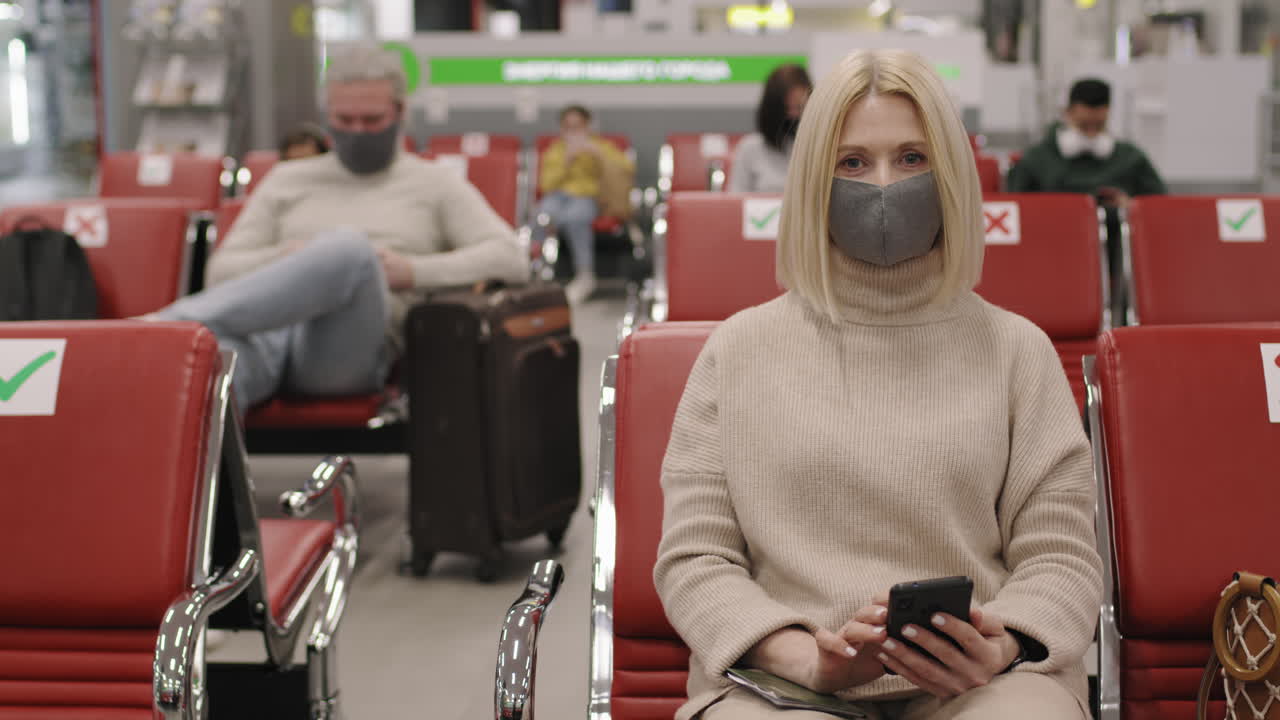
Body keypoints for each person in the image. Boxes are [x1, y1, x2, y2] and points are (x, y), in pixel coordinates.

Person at [654, 49, 1102, 720]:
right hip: (783, 687)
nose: (885, 185)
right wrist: (802, 654)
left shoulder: (1018, 350)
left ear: (949, 173)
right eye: (853, 162)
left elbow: (1062, 556)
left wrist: (1002, 642)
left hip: (981, 686)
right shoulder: (738, 350)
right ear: (813, 180)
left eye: (913, 159)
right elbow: (696, 558)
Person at [144, 44, 527, 411]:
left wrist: (413, 272)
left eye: (372, 120)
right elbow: (220, 272)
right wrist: (288, 260)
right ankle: (198, 473)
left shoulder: (434, 183)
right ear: (328, 116)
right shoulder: (287, 179)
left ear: (399, 112)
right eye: (345, 120)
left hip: (344, 352)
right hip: (265, 337)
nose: (358, 131)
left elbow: (510, 257)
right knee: (202, 370)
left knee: (349, 252)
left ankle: (158, 327)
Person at [1006, 78, 1166, 206]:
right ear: (1067, 113)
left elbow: (1160, 205)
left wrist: (1132, 206)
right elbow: (1016, 208)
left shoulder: (1131, 159)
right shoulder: (1036, 160)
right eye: (1084, 125)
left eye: (1098, 126)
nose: (1091, 133)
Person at [533, 104, 634, 304]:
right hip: (557, 196)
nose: (573, 132)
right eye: (568, 127)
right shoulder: (556, 151)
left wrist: (599, 157)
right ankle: (537, 272)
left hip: (588, 197)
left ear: (587, 126)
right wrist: (567, 162)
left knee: (575, 218)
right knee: (542, 215)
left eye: (577, 126)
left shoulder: (601, 147)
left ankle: (585, 275)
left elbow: (625, 171)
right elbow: (546, 185)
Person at [727, 64, 812, 193]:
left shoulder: (814, 148)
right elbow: (735, 202)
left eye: (799, 107)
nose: (793, 115)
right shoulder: (749, 148)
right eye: (787, 108)